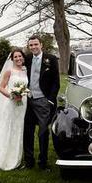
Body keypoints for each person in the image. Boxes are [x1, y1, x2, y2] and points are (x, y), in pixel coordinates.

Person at [23, 35, 60, 170]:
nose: (33, 47)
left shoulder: (51, 59)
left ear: (41, 45)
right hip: (28, 101)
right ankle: (29, 161)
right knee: (28, 131)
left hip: (43, 101)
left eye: (35, 44)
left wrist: (50, 100)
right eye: (31, 45)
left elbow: (56, 82)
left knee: (43, 132)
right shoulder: (26, 59)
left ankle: (43, 163)